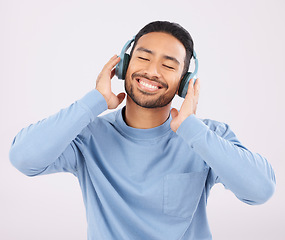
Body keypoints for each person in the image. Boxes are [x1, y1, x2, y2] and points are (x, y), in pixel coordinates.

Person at [9, 21, 276, 240]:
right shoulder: (88, 135)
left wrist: (192, 130)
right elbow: (23, 159)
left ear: (185, 82)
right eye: (143, 58)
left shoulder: (206, 136)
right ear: (123, 66)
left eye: (169, 65)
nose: (151, 71)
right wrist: (94, 102)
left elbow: (260, 190)